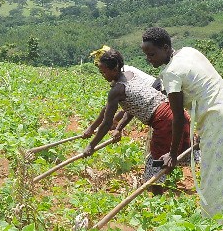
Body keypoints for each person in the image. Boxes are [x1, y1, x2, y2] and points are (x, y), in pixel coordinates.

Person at [140, 27, 223, 217]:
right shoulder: (188, 52)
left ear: (166, 47)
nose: (149, 59)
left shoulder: (171, 74)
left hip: (219, 121)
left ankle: (219, 225)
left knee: (217, 177)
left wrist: (173, 155)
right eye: (146, 55)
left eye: (152, 54)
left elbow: (177, 118)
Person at [82, 46, 191, 184]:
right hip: (177, 114)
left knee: (154, 166)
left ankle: (157, 195)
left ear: (114, 69)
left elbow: (107, 122)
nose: (103, 75)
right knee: (172, 156)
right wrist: (117, 129)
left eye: (104, 72)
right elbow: (131, 110)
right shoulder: (129, 75)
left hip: (165, 122)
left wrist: (91, 145)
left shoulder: (117, 90)